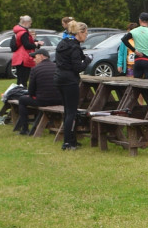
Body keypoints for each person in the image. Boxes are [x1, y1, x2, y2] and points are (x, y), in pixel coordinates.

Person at [55, 20, 91, 150]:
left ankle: (72, 139)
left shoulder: (62, 43)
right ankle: (68, 142)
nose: (86, 36)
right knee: (71, 111)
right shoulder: (74, 47)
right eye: (86, 34)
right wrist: (88, 59)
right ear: (80, 33)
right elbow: (78, 67)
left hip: (59, 78)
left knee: (67, 110)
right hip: (70, 80)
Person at [14, 48, 61, 135]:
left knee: (22, 100)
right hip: (59, 100)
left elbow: (31, 90)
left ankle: (25, 129)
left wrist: (32, 95)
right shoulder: (57, 67)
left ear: (42, 56)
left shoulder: (35, 69)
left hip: (43, 100)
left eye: (35, 57)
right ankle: (50, 125)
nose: (33, 59)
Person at [124, 13, 148, 79]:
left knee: (137, 84)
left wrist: (134, 50)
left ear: (139, 20)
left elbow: (124, 39)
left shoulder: (134, 31)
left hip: (137, 60)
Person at [10, 15, 39, 86]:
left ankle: (19, 93)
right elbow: (27, 45)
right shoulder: (24, 32)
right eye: (30, 23)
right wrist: (36, 44)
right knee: (24, 79)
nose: (30, 25)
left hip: (17, 57)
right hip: (23, 58)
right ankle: (22, 93)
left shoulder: (16, 32)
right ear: (26, 22)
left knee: (20, 79)